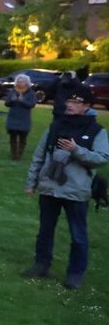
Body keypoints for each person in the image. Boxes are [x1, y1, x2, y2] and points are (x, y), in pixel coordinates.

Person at [23, 86, 109, 289]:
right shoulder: (55, 125)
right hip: (50, 188)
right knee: (45, 231)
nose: (70, 105)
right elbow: (39, 155)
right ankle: (41, 265)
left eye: (76, 102)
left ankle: (75, 274)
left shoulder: (97, 131)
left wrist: (76, 150)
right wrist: (31, 183)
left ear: (87, 106)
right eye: (69, 102)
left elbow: (102, 158)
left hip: (76, 191)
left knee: (78, 235)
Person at [5, 75, 37, 160]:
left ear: (26, 82)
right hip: (13, 116)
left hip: (24, 118)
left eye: (21, 81)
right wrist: (12, 100)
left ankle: (19, 154)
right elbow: (7, 103)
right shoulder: (12, 91)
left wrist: (23, 101)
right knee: (13, 137)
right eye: (18, 81)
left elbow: (32, 104)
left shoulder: (31, 93)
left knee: (23, 137)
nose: (19, 83)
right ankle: (13, 154)